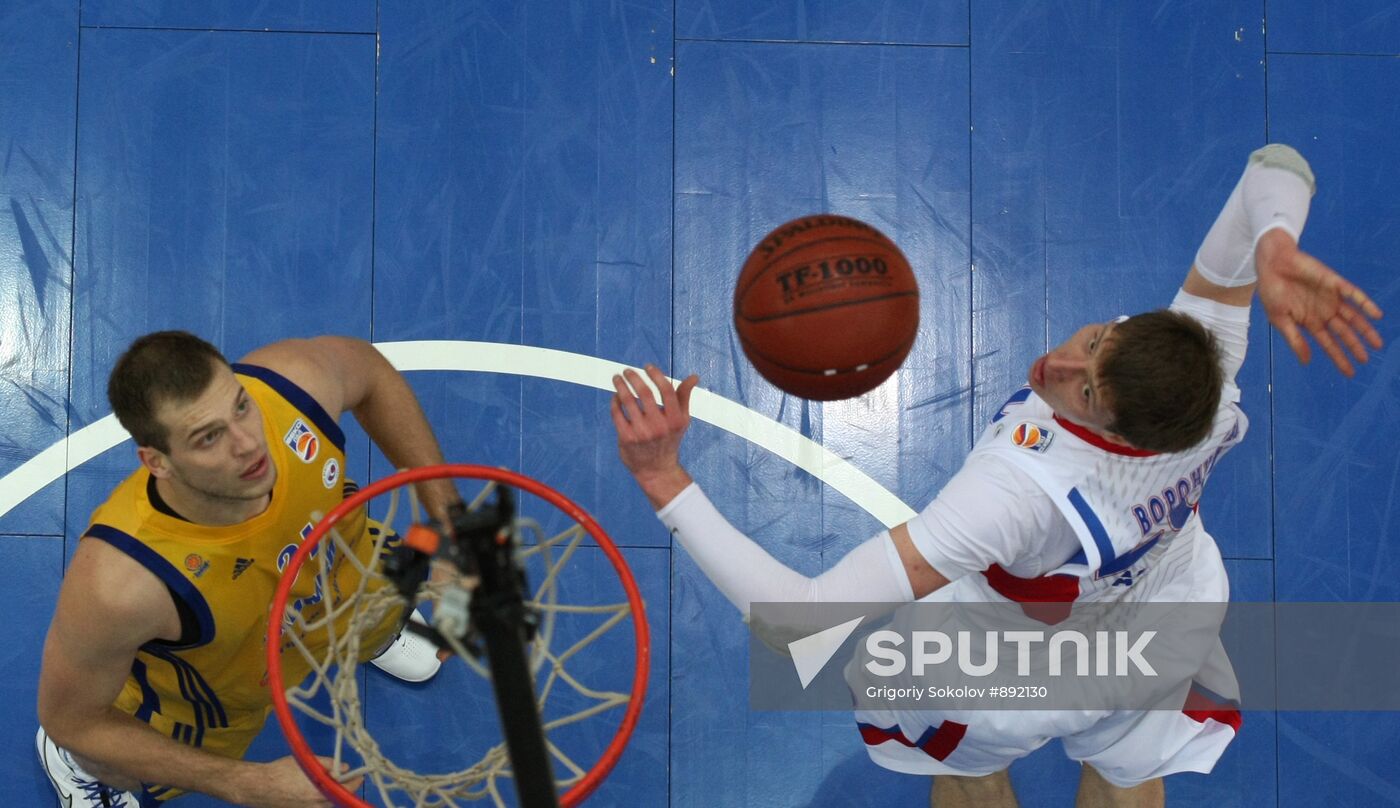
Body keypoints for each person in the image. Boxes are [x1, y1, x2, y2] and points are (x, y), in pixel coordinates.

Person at [609, 145, 1384, 807]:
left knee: (973, 781)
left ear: (1114, 432)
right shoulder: (1206, 383)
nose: (1059, 364)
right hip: (1157, 625)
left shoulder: (1013, 497)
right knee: (1129, 784)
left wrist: (664, 482)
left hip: (997, 664)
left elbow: (794, 622)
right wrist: (1272, 245)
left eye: (1082, 392)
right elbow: (1278, 167)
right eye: (1094, 342)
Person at [36, 332, 460, 807]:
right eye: (209, 437)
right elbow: (72, 718)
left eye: (240, 405)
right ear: (158, 462)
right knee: (128, 761)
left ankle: (377, 635)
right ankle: (74, 766)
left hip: (339, 578)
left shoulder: (292, 387)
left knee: (374, 599)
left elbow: (370, 373)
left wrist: (447, 519)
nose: (249, 444)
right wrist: (246, 784)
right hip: (217, 688)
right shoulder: (121, 583)